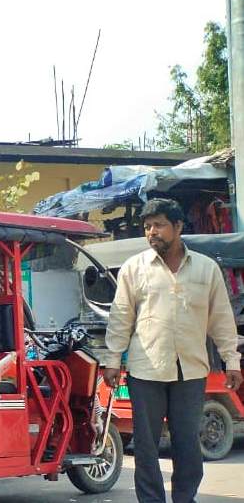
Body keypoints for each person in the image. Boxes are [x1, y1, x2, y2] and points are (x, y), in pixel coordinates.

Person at [102, 198, 242, 503]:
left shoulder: (206, 269)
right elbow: (121, 316)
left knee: (188, 443)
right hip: (145, 370)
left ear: (178, 227)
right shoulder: (133, 268)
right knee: (147, 445)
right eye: (148, 226)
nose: (152, 232)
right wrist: (112, 359)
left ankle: (184, 498)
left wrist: (232, 360)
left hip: (191, 370)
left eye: (159, 225)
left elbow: (220, 317)